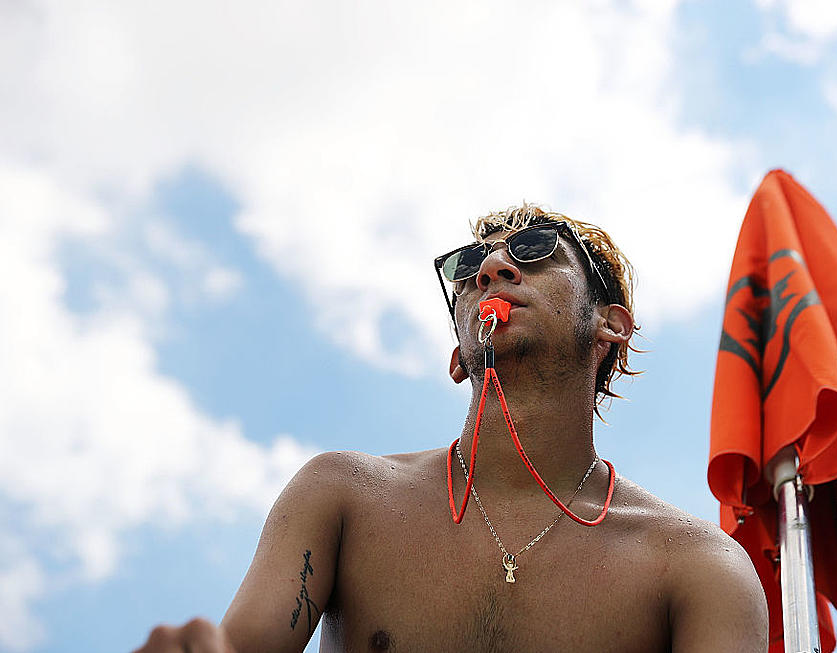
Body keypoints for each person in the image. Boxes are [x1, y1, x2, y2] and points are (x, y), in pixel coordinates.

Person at [133, 204, 768, 652]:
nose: (491, 270)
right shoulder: (343, 495)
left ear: (613, 325)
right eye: (469, 267)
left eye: (535, 252)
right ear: (459, 355)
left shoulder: (696, 568)